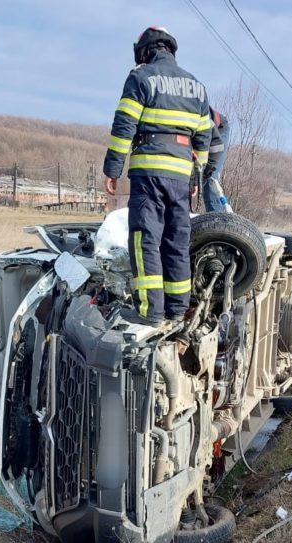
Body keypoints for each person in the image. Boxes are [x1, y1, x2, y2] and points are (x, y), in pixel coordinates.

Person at [103, 26, 212, 326]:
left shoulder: (140, 78)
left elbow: (124, 126)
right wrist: (195, 181)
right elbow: (203, 138)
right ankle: (177, 309)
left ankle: (150, 311)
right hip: (180, 177)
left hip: (149, 173)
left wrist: (112, 169)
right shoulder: (197, 87)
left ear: (145, 52)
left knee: (145, 239)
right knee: (176, 240)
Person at [202, 107, 230, 212]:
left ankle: (216, 221)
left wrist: (206, 172)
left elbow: (214, 146)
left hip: (219, 129)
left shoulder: (195, 109)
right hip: (203, 134)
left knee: (210, 179)